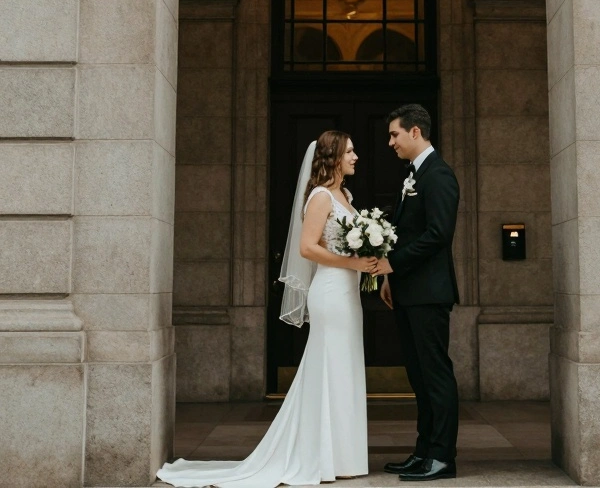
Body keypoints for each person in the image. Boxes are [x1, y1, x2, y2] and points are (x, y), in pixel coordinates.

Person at [156, 130, 375, 488]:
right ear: (333, 157)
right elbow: (306, 248)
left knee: (344, 367)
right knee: (328, 366)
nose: (356, 157)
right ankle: (319, 457)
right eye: (350, 151)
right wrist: (351, 264)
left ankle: (343, 456)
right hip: (331, 291)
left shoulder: (346, 195)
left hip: (349, 294)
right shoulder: (320, 197)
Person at [375, 104, 460, 483]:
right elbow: (404, 233)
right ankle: (423, 451)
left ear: (415, 133)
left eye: (394, 134)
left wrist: (395, 265)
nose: (390, 142)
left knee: (436, 376)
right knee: (419, 377)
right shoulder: (412, 175)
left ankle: (442, 457)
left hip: (429, 293)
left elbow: (438, 235)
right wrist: (391, 278)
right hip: (409, 292)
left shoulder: (439, 175)